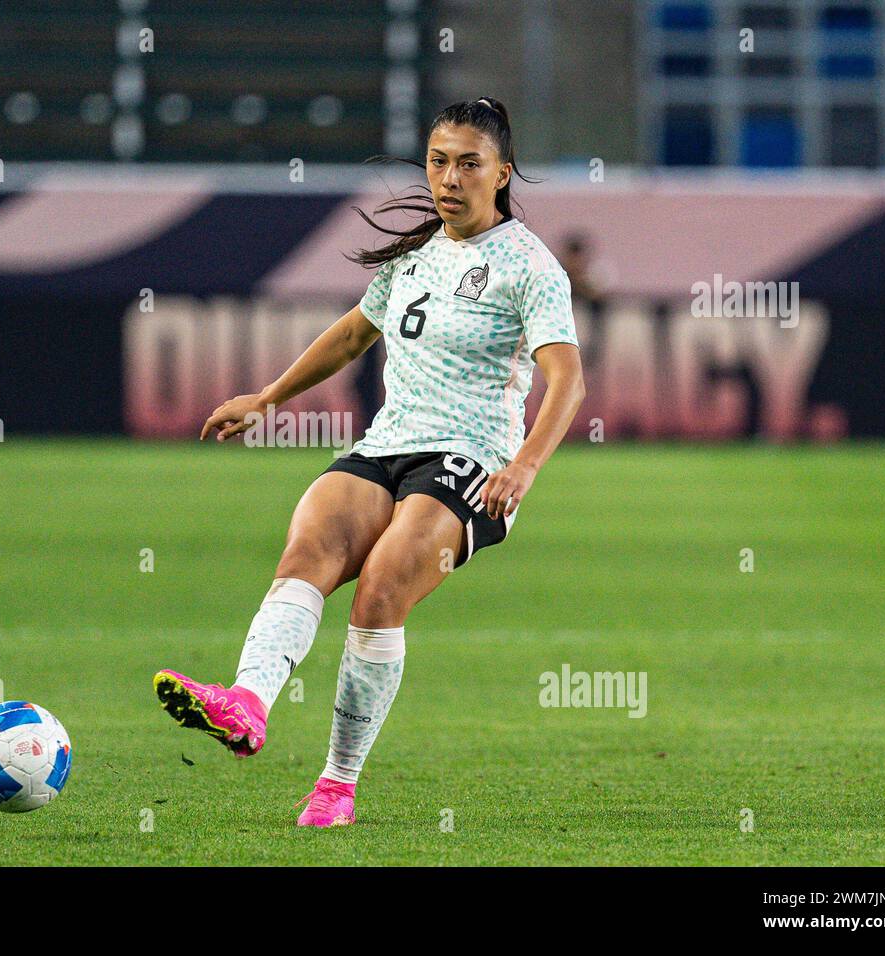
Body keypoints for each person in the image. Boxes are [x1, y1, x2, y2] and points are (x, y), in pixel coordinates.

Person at [153, 97, 586, 828]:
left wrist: (526, 466)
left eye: (468, 164)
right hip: (385, 445)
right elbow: (356, 333)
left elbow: (568, 378)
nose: (449, 178)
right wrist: (267, 395)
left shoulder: (530, 268)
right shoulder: (415, 253)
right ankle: (247, 703)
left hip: (471, 459)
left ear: (502, 173)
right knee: (307, 548)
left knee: (380, 591)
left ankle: (337, 784)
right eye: (439, 161)